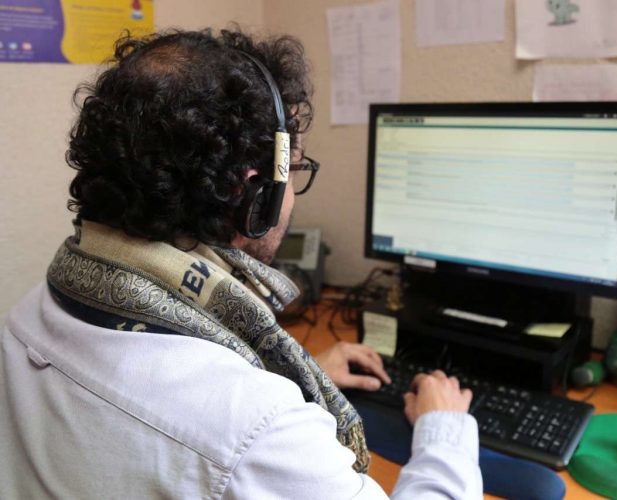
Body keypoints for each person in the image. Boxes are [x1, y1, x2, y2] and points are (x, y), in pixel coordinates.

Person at [0, 29, 482, 498]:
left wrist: (294, 374)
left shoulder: (29, 315)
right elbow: (226, 424)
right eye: (295, 171)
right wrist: (444, 434)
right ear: (253, 193)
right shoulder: (257, 431)